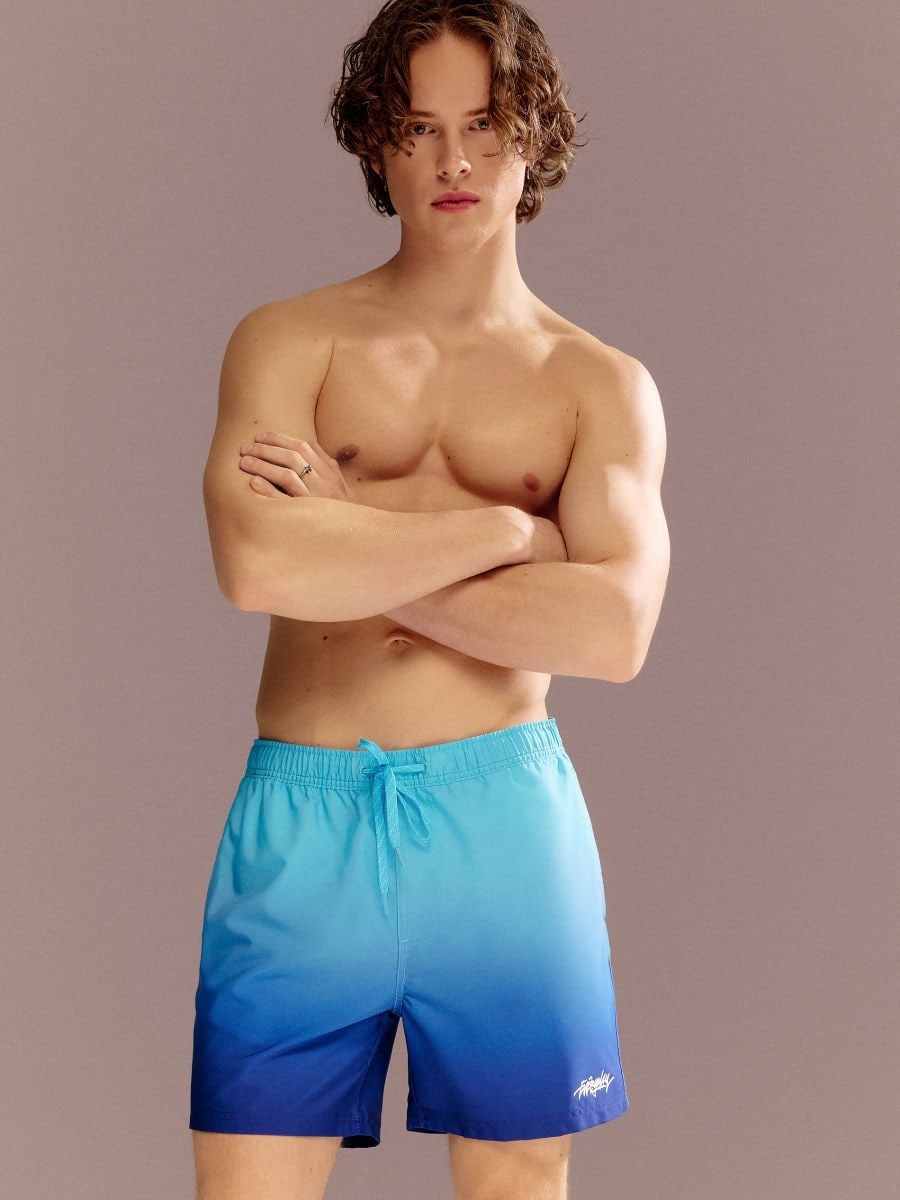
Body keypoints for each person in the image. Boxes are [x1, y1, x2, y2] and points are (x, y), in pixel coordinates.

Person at [189, 1, 670, 1197]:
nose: (454, 160)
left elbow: (613, 632)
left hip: (501, 820)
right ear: (376, 142)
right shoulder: (289, 340)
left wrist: (353, 531)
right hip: (304, 819)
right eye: (417, 127)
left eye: (484, 123)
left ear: (533, 135)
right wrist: (507, 533)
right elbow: (259, 567)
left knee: (518, 1186)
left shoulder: (599, 384)